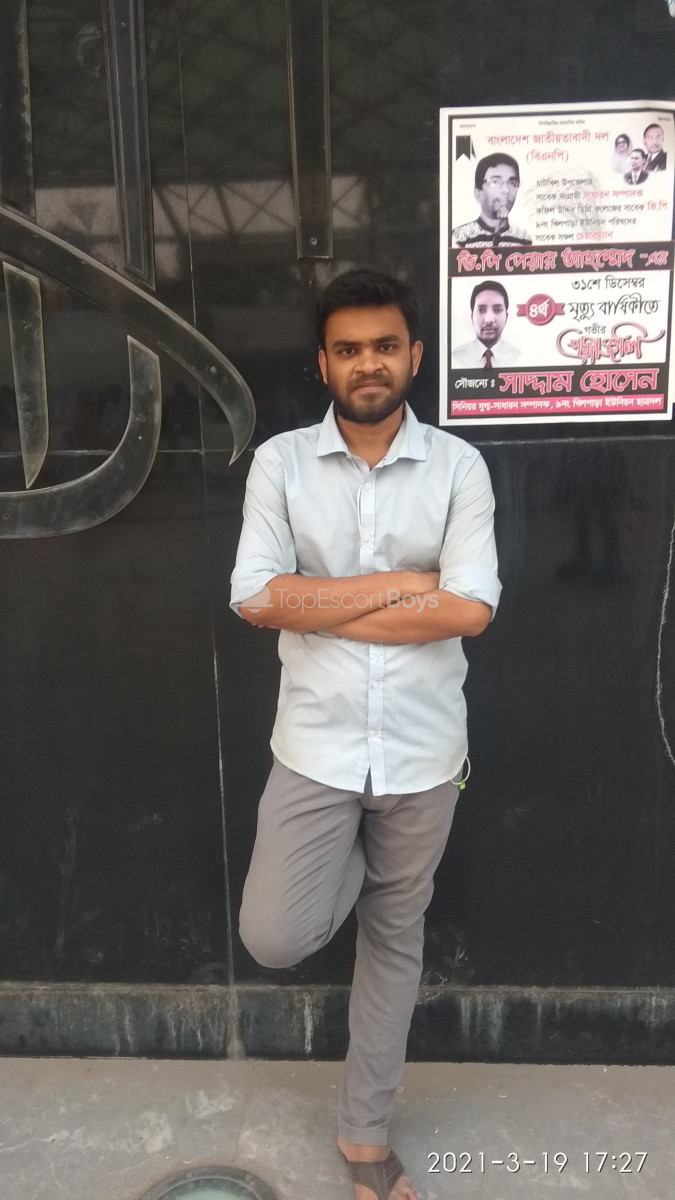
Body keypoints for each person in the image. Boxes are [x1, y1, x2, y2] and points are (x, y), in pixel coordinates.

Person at [230, 267, 501, 1200]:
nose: (367, 363)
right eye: (347, 349)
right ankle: (341, 861)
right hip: (316, 748)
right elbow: (255, 598)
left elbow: (468, 611)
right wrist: (402, 587)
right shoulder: (281, 465)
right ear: (322, 364)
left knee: (394, 936)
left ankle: (364, 1132)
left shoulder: (458, 467)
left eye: (384, 346)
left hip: (424, 754)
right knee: (273, 933)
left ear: (414, 355)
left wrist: (315, 604)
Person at [452, 152, 532, 247]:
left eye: (512, 183)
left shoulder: (524, 239)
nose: (506, 190)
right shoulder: (458, 238)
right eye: (495, 182)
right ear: (478, 193)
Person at [452, 280, 520, 368]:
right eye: (481, 310)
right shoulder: (454, 358)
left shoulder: (519, 357)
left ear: (506, 317)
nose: (489, 320)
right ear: (472, 317)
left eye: (498, 310)